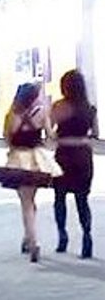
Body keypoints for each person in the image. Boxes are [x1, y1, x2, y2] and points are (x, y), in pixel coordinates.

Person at [3, 82, 61, 263]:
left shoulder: (13, 114)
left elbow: (8, 138)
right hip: (37, 159)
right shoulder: (42, 112)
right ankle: (28, 238)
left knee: (26, 203)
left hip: (19, 159)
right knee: (31, 201)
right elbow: (51, 136)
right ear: (33, 97)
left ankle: (33, 241)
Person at [50, 69, 96, 258]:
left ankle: (62, 237)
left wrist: (58, 137)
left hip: (64, 156)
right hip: (83, 157)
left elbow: (50, 131)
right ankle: (87, 237)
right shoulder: (90, 108)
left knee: (59, 198)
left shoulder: (59, 106)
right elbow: (95, 133)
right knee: (82, 200)